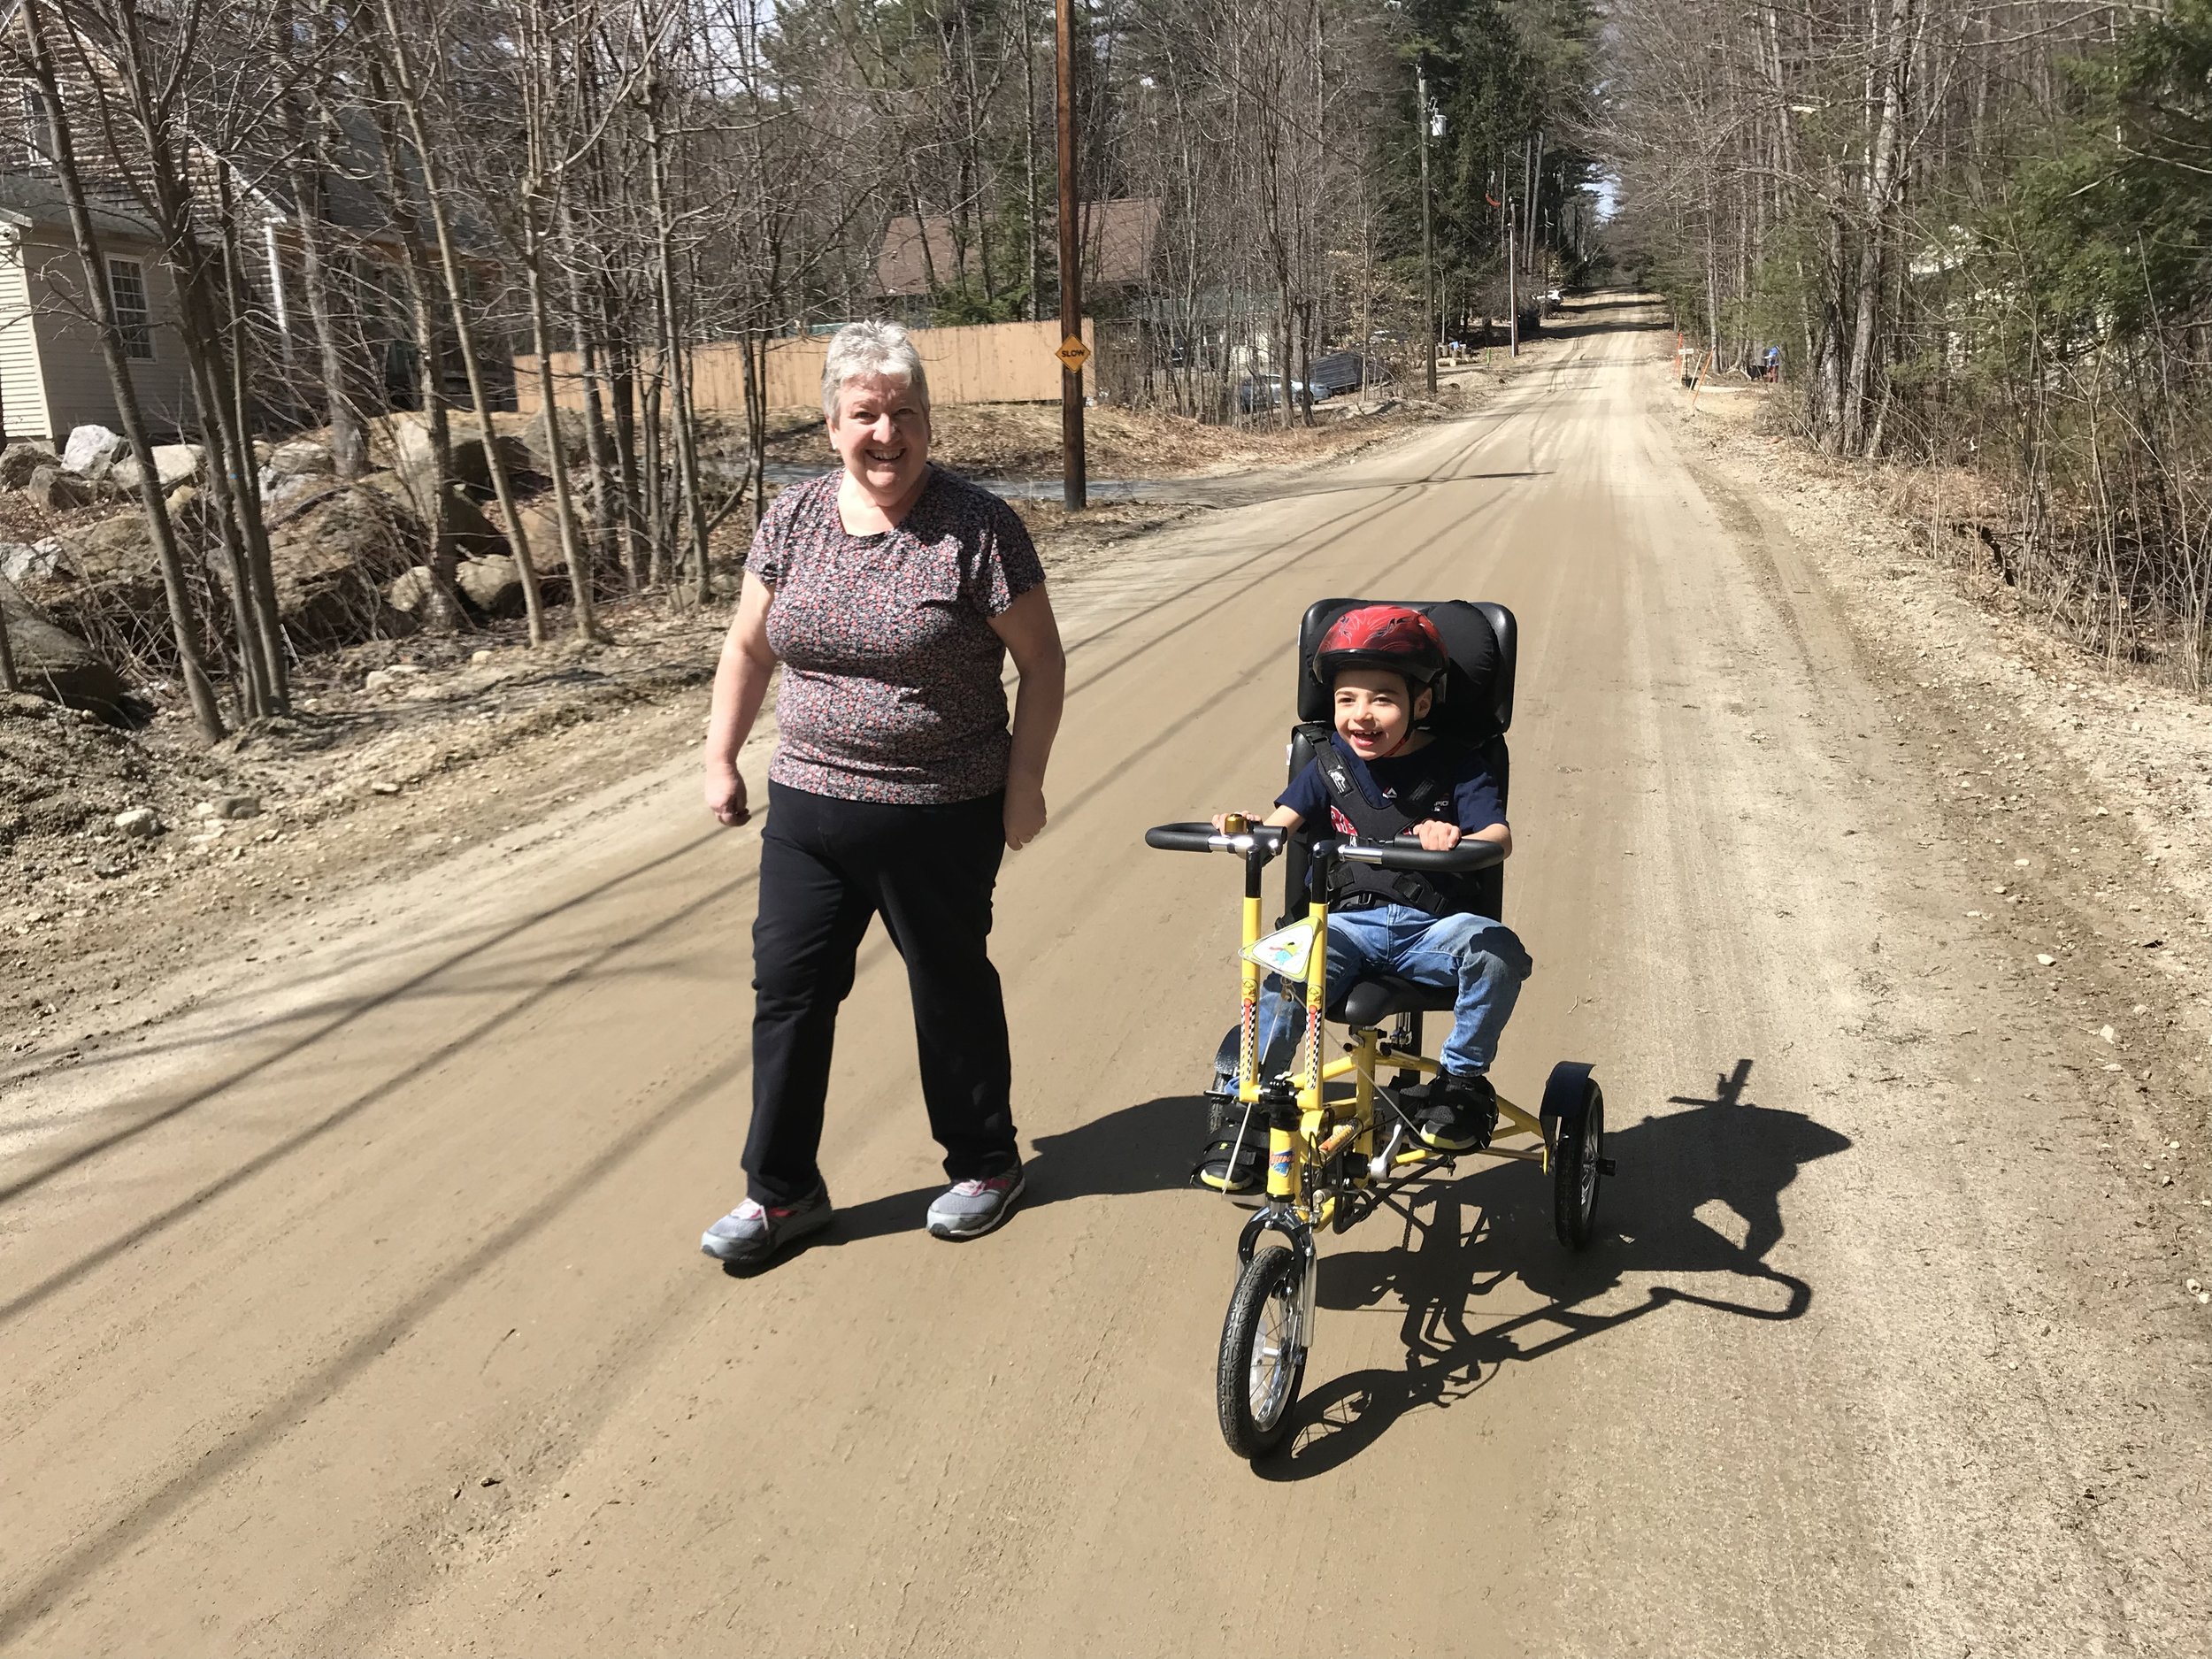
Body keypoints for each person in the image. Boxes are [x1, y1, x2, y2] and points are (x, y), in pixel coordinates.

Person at [698, 319, 1066, 1268]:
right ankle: (781, 1194)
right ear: (831, 425)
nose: (887, 434)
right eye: (865, 415)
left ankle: (985, 1162)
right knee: (787, 992)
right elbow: (749, 646)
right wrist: (720, 755)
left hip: (941, 809)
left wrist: (1023, 784)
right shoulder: (792, 519)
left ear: (928, 420)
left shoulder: (979, 527)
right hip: (809, 807)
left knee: (948, 988)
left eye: (905, 413)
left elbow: (1041, 661)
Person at [1196, 604, 1532, 1194]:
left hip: (1433, 929)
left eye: (1383, 698)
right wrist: (1248, 828)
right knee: (1278, 963)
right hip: (1342, 926)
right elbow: (1279, 829)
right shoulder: (1326, 765)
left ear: (1422, 704)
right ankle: (1241, 1106)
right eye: (1347, 698)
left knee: (1497, 952)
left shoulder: (1459, 766)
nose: (1362, 715)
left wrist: (1455, 834)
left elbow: (1498, 837)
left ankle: (1460, 1082)